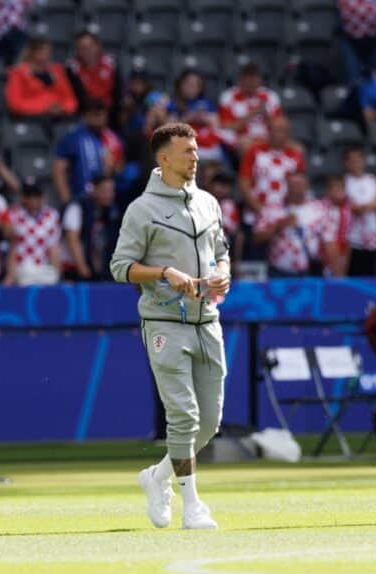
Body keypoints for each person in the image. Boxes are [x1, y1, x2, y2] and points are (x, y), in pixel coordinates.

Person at [110, 123, 230, 530]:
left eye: (195, 150)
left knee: (209, 423)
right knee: (184, 416)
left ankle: (158, 477)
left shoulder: (208, 203)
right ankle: (192, 506)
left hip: (207, 319)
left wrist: (223, 275)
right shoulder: (141, 210)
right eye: (187, 151)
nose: (195, 157)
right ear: (164, 158)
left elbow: (222, 251)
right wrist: (164, 272)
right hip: (164, 322)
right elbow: (120, 267)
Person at [253, 172, 325, 277]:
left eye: (299, 184)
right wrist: (278, 227)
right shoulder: (272, 208)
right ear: (286, 186)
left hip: (310, 272)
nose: (296, 188)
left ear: (307, 186)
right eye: (292, 185)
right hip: (279, 272)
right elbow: (256, 238)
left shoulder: (319, 208)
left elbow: (328, 240)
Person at [238, 116, 305, 214]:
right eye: (276, 129)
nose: (279, 134)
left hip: (285, 211)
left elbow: (300, 187)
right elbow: (244, 183)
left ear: (288, 133)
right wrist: (259, 209)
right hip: (257, 210)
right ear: (268, 131)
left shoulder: (295, 156)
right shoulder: (254, 152)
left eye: (283, 130)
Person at [53, 99, 112, 204]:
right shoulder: (74, 138)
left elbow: (110, 169)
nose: (101, 119)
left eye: (103, 115)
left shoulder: (108, 138)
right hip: (80, 199)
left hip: (101, 201)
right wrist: (66, 200)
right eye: (96, 114)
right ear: (86, 116)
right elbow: (59, 170)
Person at [4, 37, 78, 119]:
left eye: (48, 50)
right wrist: (44, 108)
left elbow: (70, 99)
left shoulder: (57, 71)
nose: (47, 53)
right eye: (42, 50)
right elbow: (15, 103)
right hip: (31, 119)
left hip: (60, 117)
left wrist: (63, 108)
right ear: (32, 52)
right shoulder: (18, 73)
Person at [4, 181, 61, 286]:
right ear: (22, 197)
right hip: (21, 269)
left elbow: (54, 247)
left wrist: (57, 274)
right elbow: (12, 246)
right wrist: (10, 276)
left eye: (36, 195)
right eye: (29, 195)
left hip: (43, 269)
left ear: (42, 197)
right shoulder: (13, 214)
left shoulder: (52, 215)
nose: (32, 199)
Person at [218, 63, 282, 156]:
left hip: (268, 138)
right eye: (249, 80)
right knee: (247, 146)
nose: (252, 83)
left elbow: (278, 125)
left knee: (297, 148)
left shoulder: (270, 96)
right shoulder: (228, 96)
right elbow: (226, 126)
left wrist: (265, 115)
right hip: (242, 138)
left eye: (255, 80)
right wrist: (253, 113)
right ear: (241, 80)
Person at [167, 70, 226, 164]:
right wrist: (188, 118)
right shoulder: (172, 103)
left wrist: (203, 118)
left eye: (195, 85)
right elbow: (170, 128)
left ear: (200, 88)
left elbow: (216, 125)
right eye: (188, 84)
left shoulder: (206, 103)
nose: (191, 87)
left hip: (206, 144)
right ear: (180, 85)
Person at [344, 147, 376, 276]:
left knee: (371, 271)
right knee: (354, 272)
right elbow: (352, 208)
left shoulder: (372, 180)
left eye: (359, 160)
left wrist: (363, 207)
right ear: (346, 163)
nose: (356, 163)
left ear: (364, 161)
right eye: (352, 161)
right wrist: (368, 207)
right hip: (352, 236)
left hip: (372, 233)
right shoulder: (345, 182)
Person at [66, 31, 119, 112]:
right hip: (84, 112)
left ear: (98, 47)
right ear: (77, 51)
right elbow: (77, 98)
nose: (87, 51)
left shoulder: (111, 63)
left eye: (91, 46)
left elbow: (117, 93)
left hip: (110, 111)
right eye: (82, 48)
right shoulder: (72, 69)